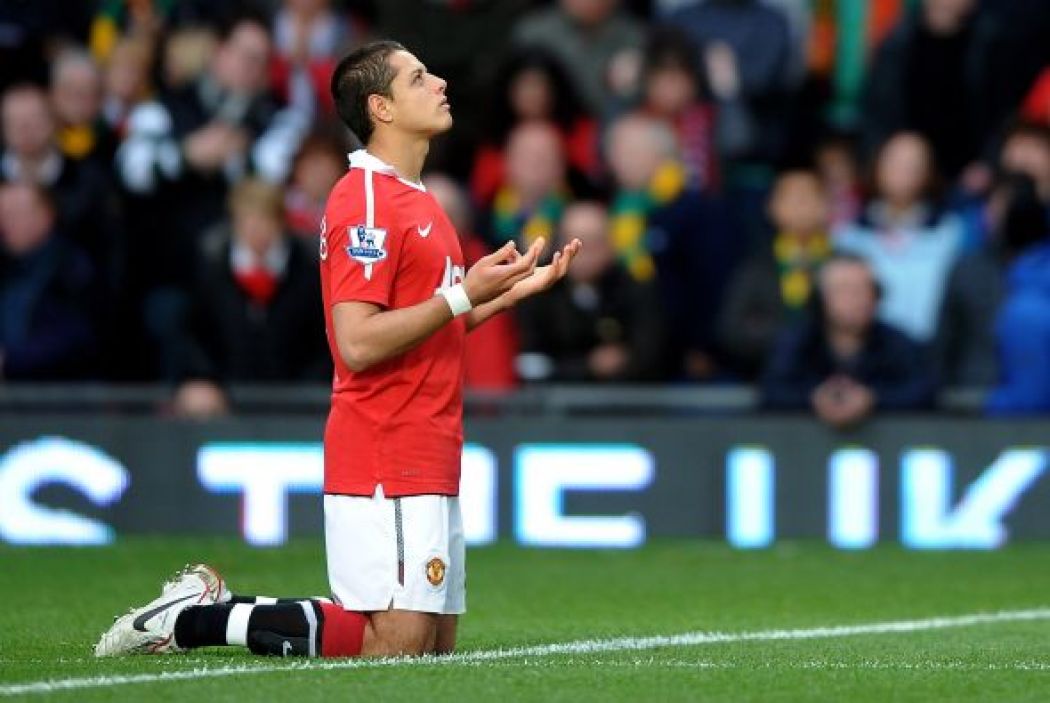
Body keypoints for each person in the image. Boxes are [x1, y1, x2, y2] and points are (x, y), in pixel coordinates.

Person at [95, 40, 581, 660]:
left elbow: (427, 329)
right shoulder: (364, 201)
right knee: (397, 644)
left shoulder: (419, 199)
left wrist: (504, 295)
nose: (439, 83)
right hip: (387, 444)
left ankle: (202, 614)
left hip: (432, 442)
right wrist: (463, 297)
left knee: (433, 648)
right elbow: (355, 342)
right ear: (380, 107)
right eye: (418, 77)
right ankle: (197, 619)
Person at [172, 179, 331, 419]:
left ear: (280, 222)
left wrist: (307, 389)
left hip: (298, 402)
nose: (256, 229)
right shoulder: (213, 268)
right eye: (247, 220)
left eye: (264, 219)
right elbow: (195, 336)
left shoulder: (308, 270)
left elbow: (323, 342)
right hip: (225, 399)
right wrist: (204, 380)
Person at [761, 254, 936, 429]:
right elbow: (773, 389)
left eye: (864, 290)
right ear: (821, 297)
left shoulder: (900, 344)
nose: (855, 299)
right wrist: (814, 398)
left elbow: (924, 389)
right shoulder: (797, 342)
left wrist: (872, 399)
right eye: (843, 290)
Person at [834, 131, 963, 344]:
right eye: (894, 161)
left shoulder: (950, 233)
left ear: (929, 172)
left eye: (913, 163)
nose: (903, 170)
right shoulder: (849, 235)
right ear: (877, 166)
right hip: (870, 353)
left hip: (930, 351)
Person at [516, 200, 665, 383]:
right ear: (559, 244)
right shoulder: (537, 292)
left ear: (611, 244)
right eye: (574, 243)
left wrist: (622, 361)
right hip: (554, 403)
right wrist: (588, 366)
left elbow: (653, 354)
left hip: (624, 402)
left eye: (594, 242)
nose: (584, 253)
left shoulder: (635, 290)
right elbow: (530, 362)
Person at [718, 170, 832, 379]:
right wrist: (791, 341)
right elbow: (733, 330)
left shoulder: (841, 264)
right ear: (772, 207)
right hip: (765, 377)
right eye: (793, 198)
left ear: (826, 206)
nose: (801, 206)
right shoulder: (754, 265)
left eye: (810, 197)